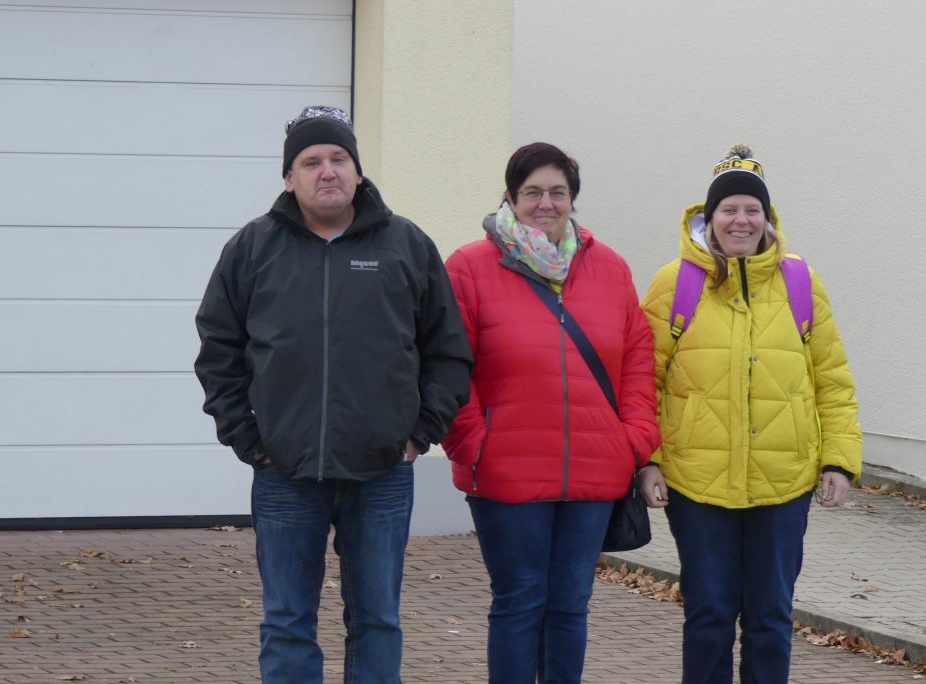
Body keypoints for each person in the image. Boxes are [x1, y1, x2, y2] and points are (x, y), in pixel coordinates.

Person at [194, 105, 473, 684]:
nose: (328, 171)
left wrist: (420, 436)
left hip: (382, 474)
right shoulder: (253, 249)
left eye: (339, 158)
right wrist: (250, 440)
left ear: (358, 172)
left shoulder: (406, 246)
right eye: (311, 160)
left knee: (376, 620)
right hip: (284, 475)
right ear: (289, 177)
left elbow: (447, 351)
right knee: (287, 621)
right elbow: (218, 350)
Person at [639, 144, 863, 684]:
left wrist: (838, 460)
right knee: (709, 616)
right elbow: (642, 381)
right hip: (697, 484)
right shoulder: (677, 283)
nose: (741, 220)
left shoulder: (800, 283)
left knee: (770, 619)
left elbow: (831, 380)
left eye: (752, 210)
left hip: (782, 484)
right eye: (729, 210)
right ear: (710, 218)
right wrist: (647, 460)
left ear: (767, 218)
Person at [442, 142, 661, 683]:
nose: (546, 203)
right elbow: (448, 366)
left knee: (570, 607)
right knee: (519, 603)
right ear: (511, 198)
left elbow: (637, 359)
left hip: (594, 470)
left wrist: (632, 440)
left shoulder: (608, 267)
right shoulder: (470, 267)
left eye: (557, 192)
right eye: (533, 192)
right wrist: (474, 443)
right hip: (506, 472)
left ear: (573, 199)